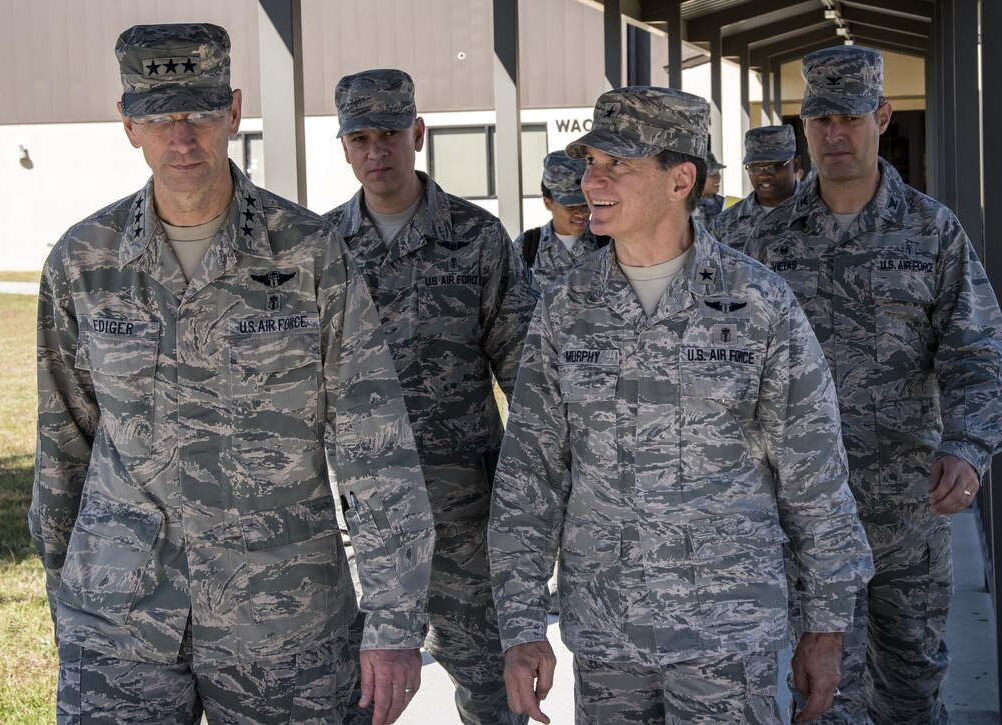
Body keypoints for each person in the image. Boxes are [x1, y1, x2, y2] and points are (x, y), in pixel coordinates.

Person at [29, 24, 435, 725]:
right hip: (121, 625)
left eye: (200, 114)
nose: (180, 138)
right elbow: (62, 443)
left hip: (285, 629)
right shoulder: (83, 263)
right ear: (129, 125)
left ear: (235, 111)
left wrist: (394, 625)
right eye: (158, 117)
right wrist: (66, 592)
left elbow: (374, 443)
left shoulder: (309, 254)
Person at [488, 85, 873, 725]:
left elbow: (815, 474)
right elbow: (530, 477)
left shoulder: (760, 305)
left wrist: (827, 627)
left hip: (728, 635)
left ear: (680, 179)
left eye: (619, 165)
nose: (593, 180)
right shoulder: (566, 309)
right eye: (590, 162)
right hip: (609, 636)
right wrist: (522, 626)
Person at [744, 46, 1002, 724]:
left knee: (911, 697)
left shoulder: (932, 232)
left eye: (850, 117)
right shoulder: (757, 238)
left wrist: (968, 444)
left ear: (882, 117)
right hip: (800, 527)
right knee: (824, 700)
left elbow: (982, 355)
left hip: (906, 521)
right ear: (802, 127)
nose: (836, 135)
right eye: (821, 120)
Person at [325, 69, 539, 725]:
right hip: (363, 524)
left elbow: (526, 376)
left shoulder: (476, 239)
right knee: (354, 694)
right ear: (343, 145)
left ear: (416, 133)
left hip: (465, 522)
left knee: (488, 688)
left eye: (389, 134)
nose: (375, 152)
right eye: (359, 137)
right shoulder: (321, 248)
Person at [513, 151, 607, 292]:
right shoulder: (527, 246)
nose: (581, 213)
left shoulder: (608, 243)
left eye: (586, 203)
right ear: (547, 203)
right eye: (570, 206)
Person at [710, 125, 802, 251]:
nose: (764, 176)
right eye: (755, 168)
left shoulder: (822, 212)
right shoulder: (723, 225)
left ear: (795, 164)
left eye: (774, 166)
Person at [694, 150, 726, 224]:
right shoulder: (688, 206)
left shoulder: (725, 203)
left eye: (718, 173)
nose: (718, 177)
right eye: (712, 175)